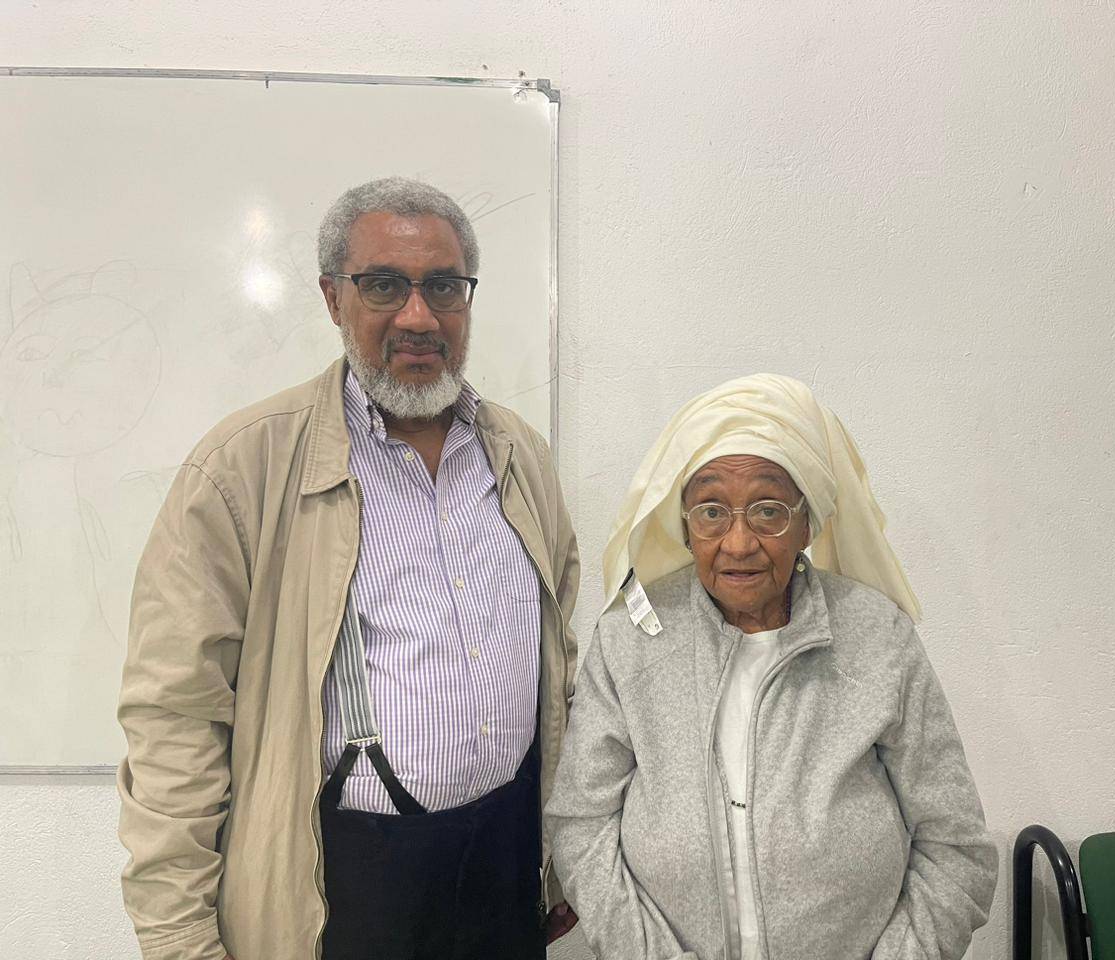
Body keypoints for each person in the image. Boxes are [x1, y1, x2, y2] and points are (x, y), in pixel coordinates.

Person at [117, 177, 579, 960]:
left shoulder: (520, 456)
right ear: (334, 298)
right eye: (384, 285)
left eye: (443, 286)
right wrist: (180, 939)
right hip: (339, 891)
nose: (419, 316)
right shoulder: (243, 470)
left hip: (504, 868)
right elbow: (175, 718)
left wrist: (561, 862)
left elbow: (558, 670)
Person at [547, 373, 997, 960]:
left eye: (767, 511)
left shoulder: (877, 637)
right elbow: (582, 824)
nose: (738, 543)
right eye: (712, 511)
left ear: (807, 523)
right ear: (684, 525)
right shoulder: (627, 642)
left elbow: (956, 848)